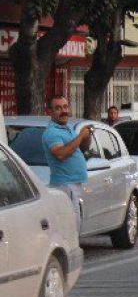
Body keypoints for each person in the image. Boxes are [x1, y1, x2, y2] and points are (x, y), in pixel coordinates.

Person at [42, 95, 92, 233]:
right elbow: (61, 154)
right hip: (65, 185)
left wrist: (87, 137)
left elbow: (79, 148)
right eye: (58, 108)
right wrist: (80, 136)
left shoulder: (67, 128)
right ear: (50, 112)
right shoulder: (52, 132)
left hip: (73, 184)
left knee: (74, 225)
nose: (63, 111)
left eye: (65, 107)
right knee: (70, 229)